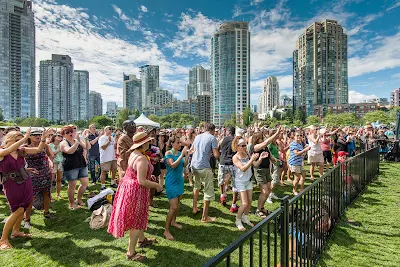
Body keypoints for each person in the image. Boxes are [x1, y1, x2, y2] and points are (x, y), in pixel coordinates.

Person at [108, 132, 162, 262]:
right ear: (143, 144)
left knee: (138, 217)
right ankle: (130, 252)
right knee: (136, 221)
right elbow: (142, 181)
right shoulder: (142, 158)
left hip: (129, 187)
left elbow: (137, 173)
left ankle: (142, 240)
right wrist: (157, 185)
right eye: (148, 141)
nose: (150, 143)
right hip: (136, 191)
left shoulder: (135, 154)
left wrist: (149, 176)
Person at [0, 128, 52, 250]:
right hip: (11, 184)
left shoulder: (20, 151)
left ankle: (16, 231)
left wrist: (43, 138)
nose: (20, 142)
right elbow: (8, 151)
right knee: (17, 210)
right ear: (9, 140)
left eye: (20, 140)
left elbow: (38, 149)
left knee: (23, 207)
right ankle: (3, 239)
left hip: (25, 180)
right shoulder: (2, 152)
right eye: (17, 140)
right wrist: (24, 138)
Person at [232, 138, 267, 231]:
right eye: (242, 146)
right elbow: (243, 168)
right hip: (240, 181)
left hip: (248, 180)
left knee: (250, 201)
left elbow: (255, 165)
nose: (245, 147)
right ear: (237, 147)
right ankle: (238, 220)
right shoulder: (235, 157)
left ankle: (245, 217)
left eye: (245, 145)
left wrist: (260, 158)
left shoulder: (247, 154)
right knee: (244, 203)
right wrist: (251, 159)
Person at [23, 128, 55, 225]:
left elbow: (50, 155)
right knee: (30, 197)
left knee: (47, 193)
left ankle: (46, 212)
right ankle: (27, 219)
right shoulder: (24, 147)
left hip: (45, 172)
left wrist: (50, 163)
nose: (37, 136)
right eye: (34, 134)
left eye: (39, 134)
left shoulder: (44, 145)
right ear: (29, 136)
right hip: (32, 173)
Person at [191, 123, 220, 223]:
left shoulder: (197, 136)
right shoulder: (212, 138)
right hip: (204, 166)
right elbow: (216, 155)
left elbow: (192, 150)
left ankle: (194, 207)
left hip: (194, 165)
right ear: (212, 130)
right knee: (208, 191)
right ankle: (204, 217)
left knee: (196, 186)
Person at [163, 135, 190, 240]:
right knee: (173, 207)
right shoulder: (168, 153)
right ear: (172, 143)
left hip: (179, 181)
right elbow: (173, 165)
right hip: (171, 182)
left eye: (180, 142)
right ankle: (166, 230)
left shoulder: (179, 153)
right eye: (178, 142)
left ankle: (173, 221)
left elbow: (184, 164)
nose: (180, 144)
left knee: (177, 205)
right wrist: (182, 155)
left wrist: (187, 155)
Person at [250, 129, 280, 217]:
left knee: (268, 190)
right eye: (260, 138)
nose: (262, 139)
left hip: (266, 170)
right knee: (264, 192)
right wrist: (276, 134)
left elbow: (269, 154)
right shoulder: (254, 147)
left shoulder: (264, 147)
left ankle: (262, 208)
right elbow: (265, 143)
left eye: (262, 137)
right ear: (256, 139)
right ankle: (258, 210)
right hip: (259, 171)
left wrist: (274, 159)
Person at [60, 125, 91, 210]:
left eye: (71, 131)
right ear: (63, 134)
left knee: (84, 184)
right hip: (71, 166)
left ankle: (79, 199)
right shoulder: (63, 143)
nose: (70, 133)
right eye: (67, 132)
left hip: (82, 164)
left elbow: (88, 147)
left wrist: (86, 139)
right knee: (72, 186)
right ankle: (72, 203)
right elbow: (69, 151)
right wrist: (77, 142)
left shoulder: (77, 140)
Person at [217, 126, 239, 212]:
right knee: (235, 185)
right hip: (232, 163)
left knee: (221, 181)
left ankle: (222, 196)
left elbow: (218, 148)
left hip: (222, 162)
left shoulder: (223, 139)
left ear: (228, 132)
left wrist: (221, 156)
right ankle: (233, 205)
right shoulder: (235, 140)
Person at [49, 133, 64, 199]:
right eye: (58, 135)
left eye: (61, 136)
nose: (60, 137)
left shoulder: (62, 145)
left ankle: (58, 194)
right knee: (51, 181)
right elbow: (51, 155)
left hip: (60, 163)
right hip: (53, 163)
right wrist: (58, 150)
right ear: (54, 137)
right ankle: (50, 196)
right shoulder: (49, 145)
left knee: (59, 179)